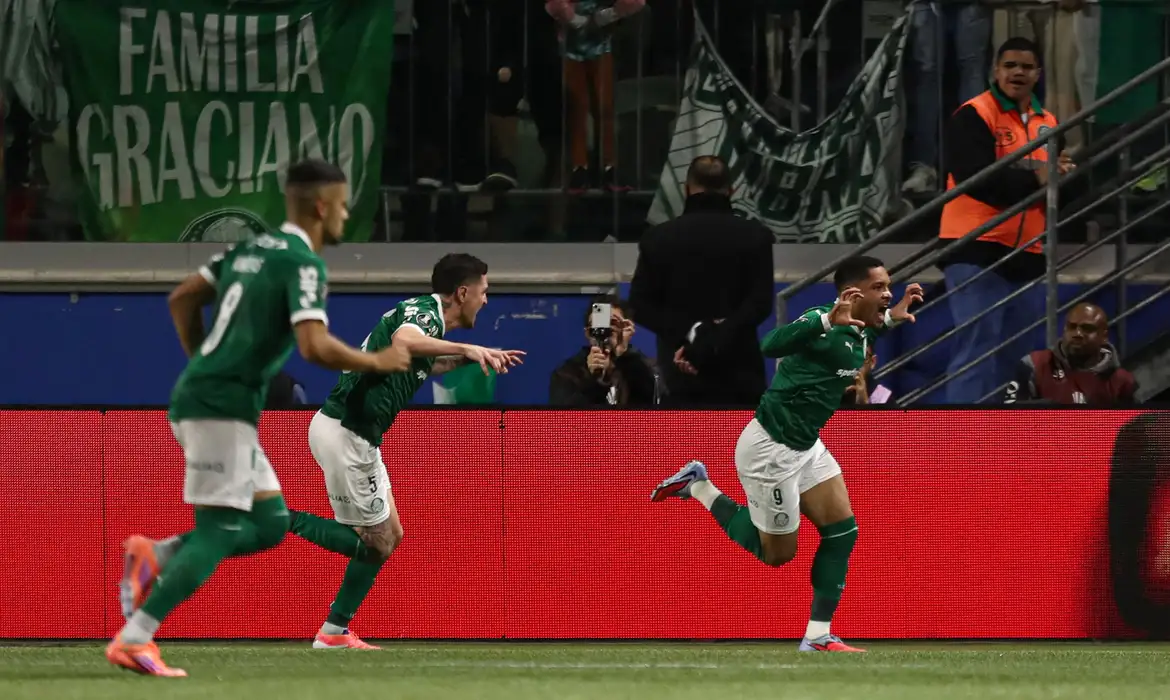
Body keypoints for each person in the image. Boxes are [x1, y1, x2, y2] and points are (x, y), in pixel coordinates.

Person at [108, 160, 413, 677]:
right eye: (343, 206)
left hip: (216, 400)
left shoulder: (248, 249)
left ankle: (156, 554)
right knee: (219, 529)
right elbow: (314, 346)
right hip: (219, 406)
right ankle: (135, 638)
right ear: (322, 206)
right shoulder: (304, 263)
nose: (346, 215)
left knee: (271, 523)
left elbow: (183, 298)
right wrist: (377, 361)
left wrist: (202, 361)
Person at [650, 256, 924, 652]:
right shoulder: (821, 320)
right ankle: (699, 487)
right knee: (776, 555)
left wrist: (894, 317)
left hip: (806, 444)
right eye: (879, 287)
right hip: (771, 449)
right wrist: (825, 320)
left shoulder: (864, 326)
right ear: (852, 293)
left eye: (889, 286)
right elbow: (770, 344)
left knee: (842, 531)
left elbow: (871, 330)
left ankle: (818, 636)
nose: (887, 294)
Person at [288, 253, 524, 649]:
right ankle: (278, 517)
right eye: (483, 291)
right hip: (347, 432)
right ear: (462, 293)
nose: (486, 300)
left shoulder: (424, 317)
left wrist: (470, 357)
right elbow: (405, 341)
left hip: (354, 434)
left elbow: (422, 363)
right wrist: (468, 348)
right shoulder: (425, 315)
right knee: (374, 542)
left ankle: (334, 632)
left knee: (390, 535)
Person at [937, 37, 1079, 404]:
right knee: (978, 349)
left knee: (1019, 356)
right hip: (976, 247)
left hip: (1028, 253)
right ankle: (961, 433)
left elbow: (1056, 188)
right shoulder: (974, 113)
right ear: (995, 71)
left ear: (1038, 74)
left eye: (1026, 67)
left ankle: (1006, 433)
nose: (1018, 72)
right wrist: (1038, 177)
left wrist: (1064, 178)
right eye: (1010, 65)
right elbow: (975, 178)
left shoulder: (1049, 123)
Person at [629, 155, 774, 406]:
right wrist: (718, 334)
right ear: (731, 191)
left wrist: (691, 334)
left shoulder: (658, 238)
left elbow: (640, 305)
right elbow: (760, 304)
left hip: (679, 369)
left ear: (687, 189)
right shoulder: (756, 236)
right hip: (740, 373)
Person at [1004, 302, 1138, 405]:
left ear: (1104, 336)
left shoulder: (1122, 381)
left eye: (1087, 329)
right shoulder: (1034, 365)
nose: (1077, 334)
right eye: (1072, 327)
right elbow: (1009, 421)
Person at [548, 295, 658, 406]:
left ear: (626, 328)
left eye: (613, 323)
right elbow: (566, 414)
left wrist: (626, 358)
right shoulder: (568, 373)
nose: (606, 330)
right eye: (598, 324)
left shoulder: (645, 368)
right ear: (588, 333)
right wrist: (596, 381)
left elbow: (650, 406)